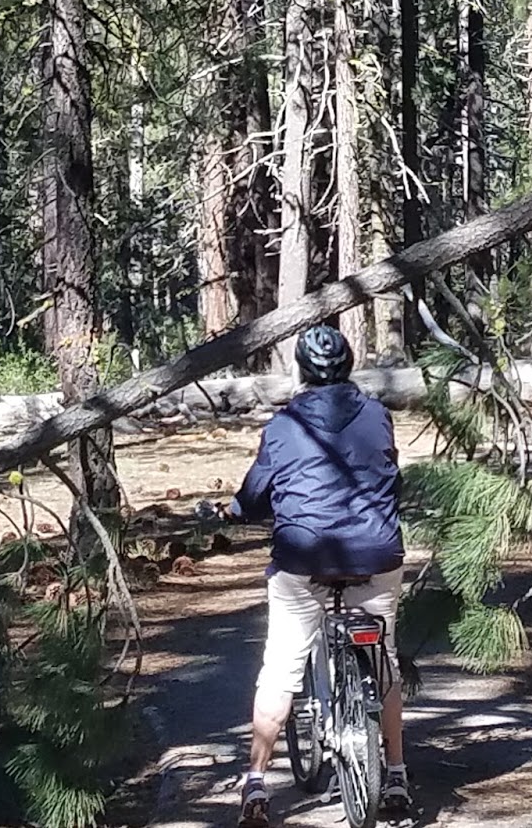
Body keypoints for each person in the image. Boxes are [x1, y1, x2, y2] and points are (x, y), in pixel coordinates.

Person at [224, 325, 412, 828]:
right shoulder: (377, 416)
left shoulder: (283, 426)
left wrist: (234, 510)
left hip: (302, 562)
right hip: (376, 556)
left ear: (302, 372)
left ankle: (257, 785)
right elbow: (391, 475)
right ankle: (395, 774)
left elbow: (256, 494)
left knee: (282, 667)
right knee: (383, 657)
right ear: (349, 367)